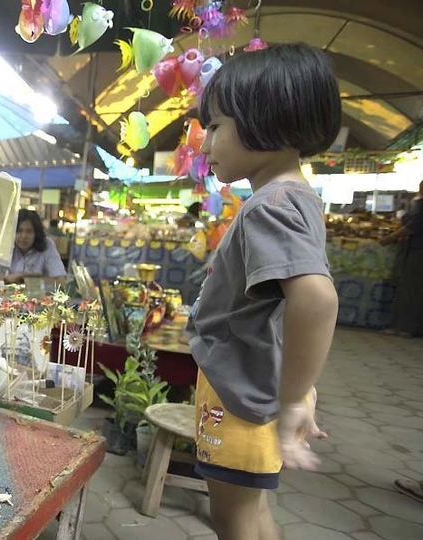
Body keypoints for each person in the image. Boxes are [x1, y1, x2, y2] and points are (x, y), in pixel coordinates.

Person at [186, 43, 341, 540]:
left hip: (239, 397)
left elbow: (316, 299)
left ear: (266, 119)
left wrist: (295, 397)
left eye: (215, 127)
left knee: (233, 519)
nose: (205, 145)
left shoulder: (268, 206)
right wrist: (298, 389)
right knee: (252, 513)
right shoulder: (297, 196)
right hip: (252, 385)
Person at [379, 179, 423, 337]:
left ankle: (404, 327)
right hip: (415, 249)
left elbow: (411, 227)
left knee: (410, 289)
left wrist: (389, 239)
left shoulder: (420, 206)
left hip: (418, 250)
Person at [3, 209, 67, 288]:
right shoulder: (6, 245)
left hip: (39, 298)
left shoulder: (47, 245)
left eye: (29, 232)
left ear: (36, 233)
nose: (24, 236)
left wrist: (26, 278)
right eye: (19, 231)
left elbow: (61, 283)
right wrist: (7, 279)